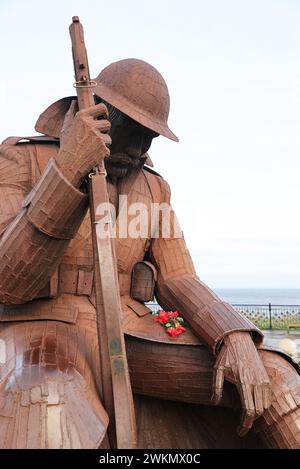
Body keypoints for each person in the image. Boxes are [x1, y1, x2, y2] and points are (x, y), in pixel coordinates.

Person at [0, 58, 299, 449]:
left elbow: (178, 277)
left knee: (277, 380)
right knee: (48, 407)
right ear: (98, 112)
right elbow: (8, 281)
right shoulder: (24, 158)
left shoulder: (153, 187)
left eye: (150, 137)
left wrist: (232, 334)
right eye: (131, 130)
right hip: (42, 329)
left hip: (130, 334)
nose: (140, 149)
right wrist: (69, 168)